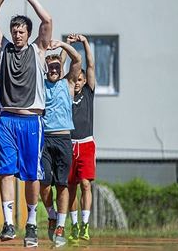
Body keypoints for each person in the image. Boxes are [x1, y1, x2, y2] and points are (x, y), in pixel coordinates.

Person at [0, 0, 52, 248]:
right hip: (7, 120)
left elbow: (46, 19)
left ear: (28, 33)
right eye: (14, 30)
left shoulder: (37, 50)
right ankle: (8, 222)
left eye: (21, 30)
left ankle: (32, 223)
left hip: (31, 120)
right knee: (6, 172)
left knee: (32, 175)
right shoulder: (4, 49)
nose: (17, 34)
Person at [40, 40, 81, 248]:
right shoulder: (41, 83)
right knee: (44, 183)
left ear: (61, 68)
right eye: (51, 67)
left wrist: (64, 45)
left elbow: (77, 59)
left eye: (57, 66)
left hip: (64, 138)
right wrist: (46, 50)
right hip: (44, 138)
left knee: (63, 184)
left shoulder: (69, 83)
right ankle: (51, 215)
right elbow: (36, 61)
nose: (54, 69)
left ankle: (61, 228)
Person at [62, 34, 96, 245]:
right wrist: (67, 46)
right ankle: (73, 225)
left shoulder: (89, 92)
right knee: (70, 186)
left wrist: (84, 43)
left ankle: (85, 224)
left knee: (85, 183)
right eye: (76, 79)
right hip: (67, 144)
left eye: (81, 80)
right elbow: (60, 66)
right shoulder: (65, 91)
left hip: (86, 143)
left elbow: (90, 65)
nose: (78, 83)